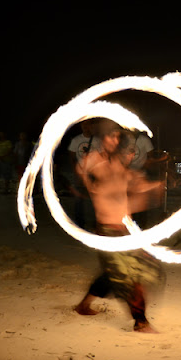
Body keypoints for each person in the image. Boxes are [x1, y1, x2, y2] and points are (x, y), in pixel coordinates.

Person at [73, 120, 166, 332]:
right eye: (111, 136)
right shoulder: (95, 160)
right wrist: (90, 184)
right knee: (127, 276)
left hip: (124, 229)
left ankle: (83, 305)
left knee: (114, 274)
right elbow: (84, 173)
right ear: (103, 138)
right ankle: (140, 322)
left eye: (117, 136)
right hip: (107, 231)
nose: (115, 140)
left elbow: (131, 187)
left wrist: (152, 187)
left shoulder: (118, 165)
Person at [67, 120, 100, 230]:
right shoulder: (77, 140)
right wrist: (76, 172)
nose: (85, 128)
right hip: (81, 173)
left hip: (93, 174)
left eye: (88, 125)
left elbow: (102, 157)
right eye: (83, 126)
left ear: (91, 126)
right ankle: (79, 225)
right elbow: (71, 157)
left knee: (96, 199)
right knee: (79, 200)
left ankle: (97, 223)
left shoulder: (97, 141)